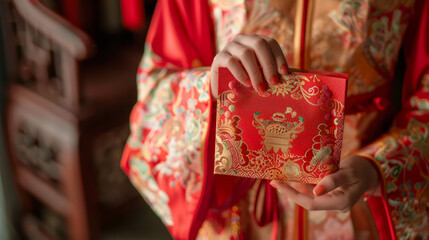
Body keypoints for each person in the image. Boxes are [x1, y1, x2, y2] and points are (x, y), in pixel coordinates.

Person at [120, 0, 429, 239]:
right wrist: (209, 88)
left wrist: (379, 166)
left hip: (357, 192)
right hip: (238, 201)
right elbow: (156, 86)